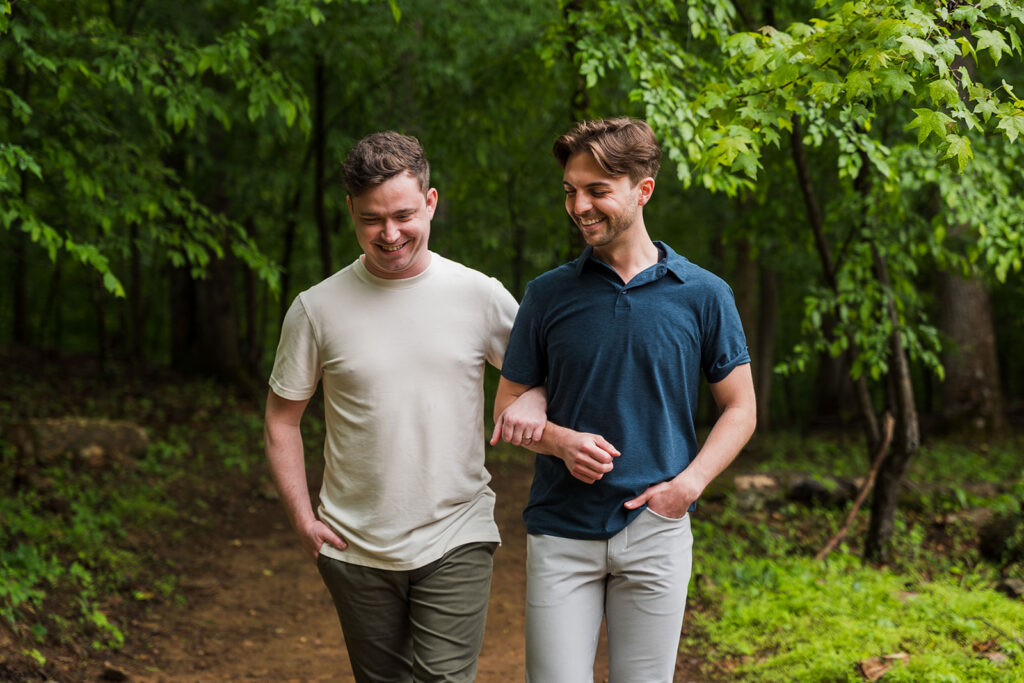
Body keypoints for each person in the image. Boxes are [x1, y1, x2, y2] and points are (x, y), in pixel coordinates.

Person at [264, 130, 540, 682]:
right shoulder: (315, 309)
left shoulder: (480, 295)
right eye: (372, 219)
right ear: (351, 211)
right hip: (353, 543)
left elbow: (540, 379)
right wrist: (302, 519)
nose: (389, 234)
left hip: (456, 530)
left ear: (431, 202)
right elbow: (281, 419)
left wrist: (529, 404)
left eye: (404, 215)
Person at [491, 117, 757, 682]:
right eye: (570, 191)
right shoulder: (547, 295)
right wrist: (560, 442)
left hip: (657, 528)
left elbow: (741, 407)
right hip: (561, 530)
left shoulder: (705, 294)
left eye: (596, 191)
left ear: (643, 190)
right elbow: (508, 411)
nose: (579, 205)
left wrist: (689, 486)